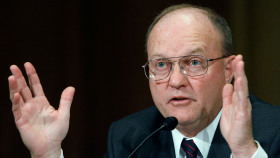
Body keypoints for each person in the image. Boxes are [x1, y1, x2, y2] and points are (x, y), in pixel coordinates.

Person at [8, 3, 280, 158]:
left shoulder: (273, 131)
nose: (175, 81)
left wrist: (244, 151)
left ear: (229, 69)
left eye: (193, 63)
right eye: (161, 65)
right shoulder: (130, 137)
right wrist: (48, 154)